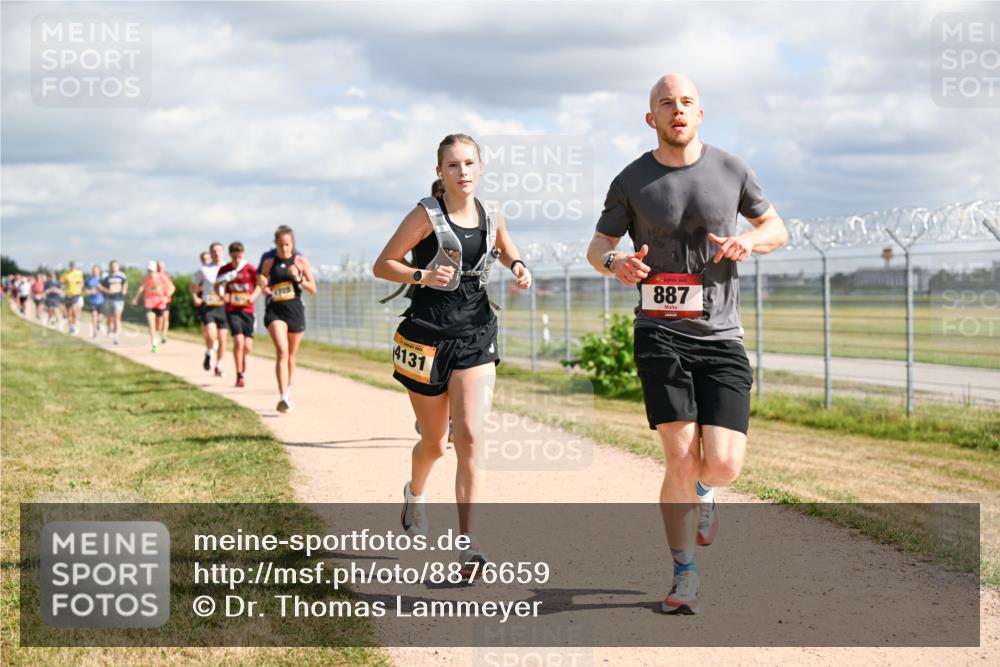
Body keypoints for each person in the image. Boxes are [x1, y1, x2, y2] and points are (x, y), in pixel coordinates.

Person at [587, 74, 787, 615]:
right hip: (659, 331)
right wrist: (616, 263)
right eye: (666, 103)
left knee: (719, 466)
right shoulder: (631, 180)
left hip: (721, 334)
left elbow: (776, 229)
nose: (677, 110)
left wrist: (749, 239)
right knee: (679, 455)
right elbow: (598, 245)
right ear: (650, 118)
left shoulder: (732, 169)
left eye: (687, 102)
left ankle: (705, 492)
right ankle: (684, 574)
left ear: (701, 114)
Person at [373, 133, 532, 578]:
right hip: (426, 338)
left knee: (469, 438)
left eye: (469, 164)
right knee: (435, 444)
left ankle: (468, 546)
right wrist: (422, 273)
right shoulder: (426, 214)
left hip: (476, 335)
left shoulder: (491, 212)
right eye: (453, 165)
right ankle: (415, 495)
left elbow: (504, 246)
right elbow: (383, 263)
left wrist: (518, 267)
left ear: (480, 168)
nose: (462, 172)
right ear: (440, 171)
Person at [258, 227, 316, 412]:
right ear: (275, 244)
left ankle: (288, 387)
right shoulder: (269, 262)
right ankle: (283, 396)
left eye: (287, 244)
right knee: (282, 351)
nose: (283, 248)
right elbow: (262, 279)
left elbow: (312, 288)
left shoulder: (300, 261)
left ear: (293, 244)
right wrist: (264, 286)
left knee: (291, 354)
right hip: (275, 310)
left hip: (295, 310)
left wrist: (298, 278)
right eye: (280, 244)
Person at [216, 242, 259, 388]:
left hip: (248, 310)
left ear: (243, 255)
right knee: (238, 342)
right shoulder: (225, 270)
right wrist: (223, 297)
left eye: (239, 257)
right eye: (234, 257)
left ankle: (242, 359)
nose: (236, 260)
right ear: (230, 255)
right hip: (232, 310)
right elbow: (217, 286)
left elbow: (260, 284)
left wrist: (253, 296)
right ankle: (239, 375)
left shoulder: (250, 269)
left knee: (247, 346)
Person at [191, 244, 229, 377]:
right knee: (212, 336)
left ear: (223, 252)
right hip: (209, 306)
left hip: (224, 306)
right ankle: (209, 351)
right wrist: (195, 297)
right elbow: (194, 286)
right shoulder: (204, 270)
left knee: (223, 339)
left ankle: (218, 365)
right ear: (211, 253)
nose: (217, 253)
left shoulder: (229, 268)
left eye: (219, 251)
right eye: (214, 251)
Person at [132, 260, 174, 352]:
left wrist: (166, 296)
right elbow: (142, 287)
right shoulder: (146, 278)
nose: (150, 272)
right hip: (149, 303)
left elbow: (171, 287)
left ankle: (159, 336)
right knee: (151, 324)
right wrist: (136, 298)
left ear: (155, 270)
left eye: (152, 270)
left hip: (160, 303)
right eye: (148, 270)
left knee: (159, 325)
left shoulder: (162, 277)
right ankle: (154, 343)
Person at [100, 260, 128, 344]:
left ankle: (116, 336)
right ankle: (109, 327)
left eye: (115, 265)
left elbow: (125, 285)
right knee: (109, 316)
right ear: (110, 267)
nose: (114, 267)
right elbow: (101, 287)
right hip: (108, 299)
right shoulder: (106, 276)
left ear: (118, 266)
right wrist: (107, 291)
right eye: (112, 266)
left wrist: (123, 290)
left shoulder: (122, 276)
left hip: (118, 299)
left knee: (117, 317)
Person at [60, 261, 85, 334]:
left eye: (73, 266)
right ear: (69, 266)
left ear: (75, 266)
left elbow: (81, 282)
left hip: (75, 293)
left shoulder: (79, 273)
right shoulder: (66, 273)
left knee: (74, 309)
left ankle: (76, 323)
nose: (72, 267)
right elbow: (61, 282)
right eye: (71, 266)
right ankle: (71, 327)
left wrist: (80, 287)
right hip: (68, 294)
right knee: (69, 313)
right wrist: (66, 281)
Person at [83, 264, 105, 337]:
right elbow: (84, 290)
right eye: (94, 270)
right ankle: (94, 331)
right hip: (92, 301)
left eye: (96, 270)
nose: (95, 272)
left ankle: (98, 323)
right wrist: (87, 292)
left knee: (100, 317)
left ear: (99, 271)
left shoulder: (102, 280)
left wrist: (96, 290)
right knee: (93, 315)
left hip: (101, 301)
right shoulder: (88, 280)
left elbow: (104, 290)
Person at [157, 260, 175, 344]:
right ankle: (157, 333)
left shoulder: (167, 275)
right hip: (155, 301)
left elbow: (172, 288)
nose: (160, 267)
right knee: (158, 319)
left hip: (165, 300)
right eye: (159, 266)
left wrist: (167, 296)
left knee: (165, 318)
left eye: (162, 266)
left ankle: (164, 335)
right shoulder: (153, 275)